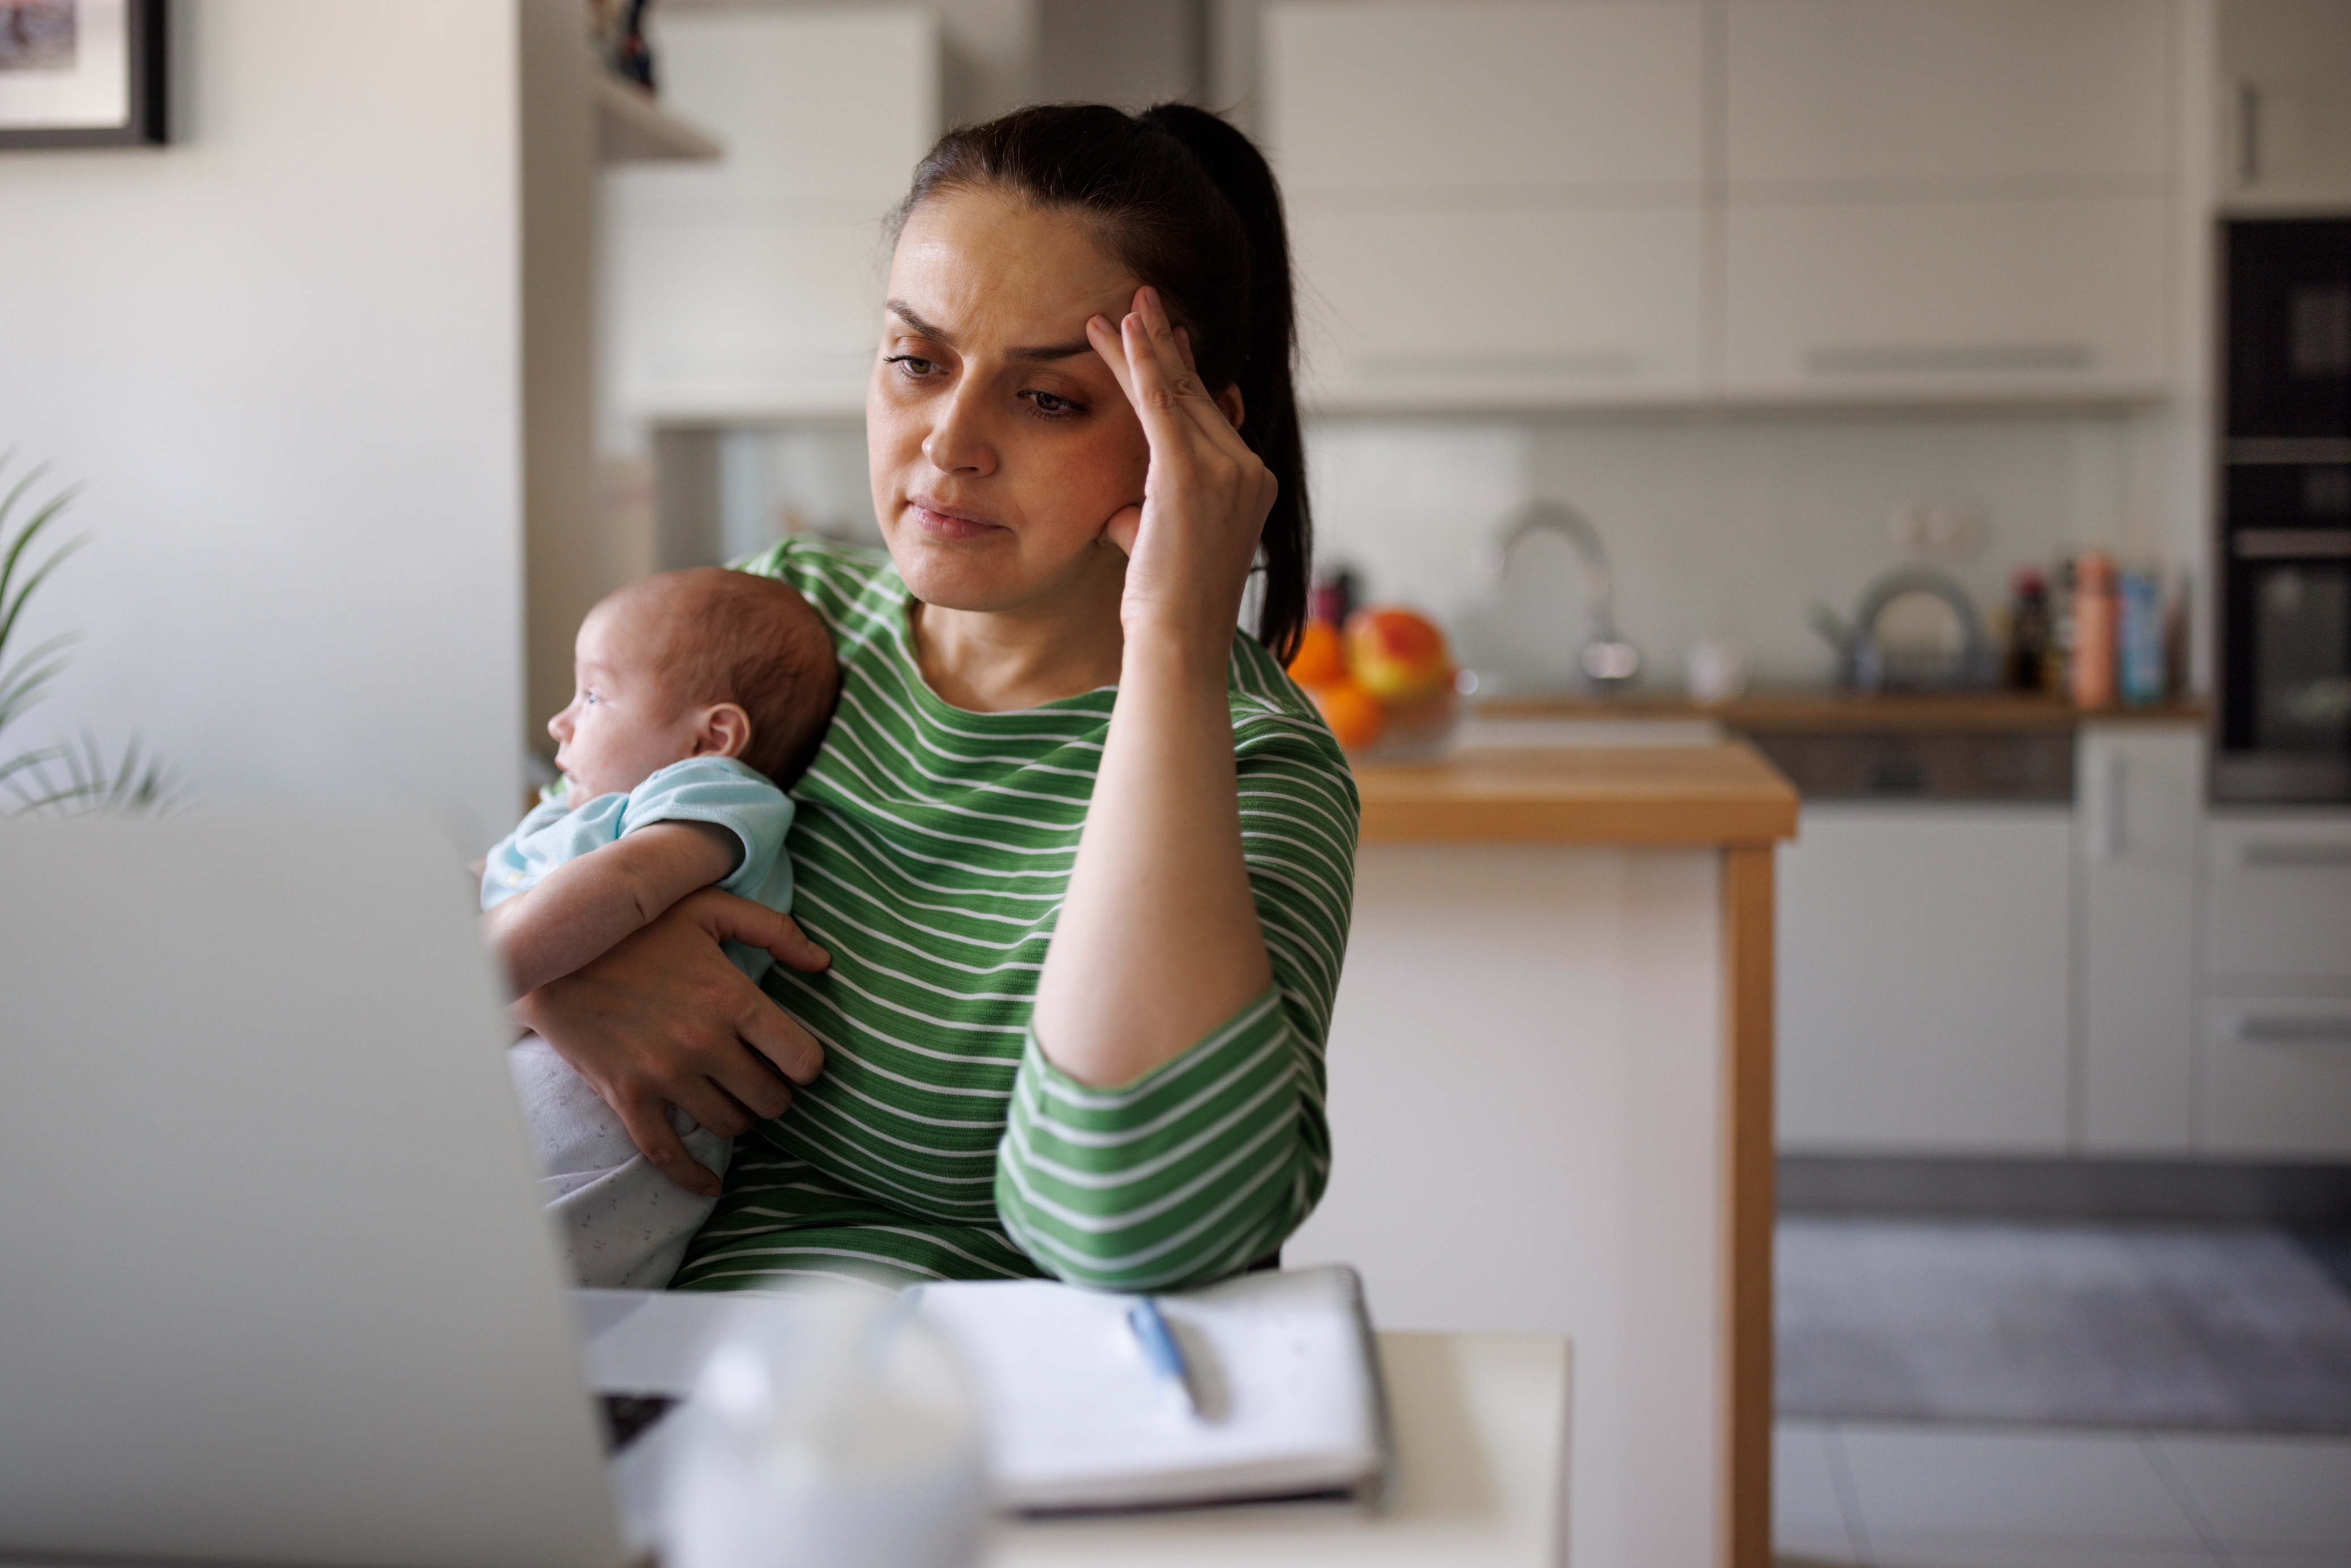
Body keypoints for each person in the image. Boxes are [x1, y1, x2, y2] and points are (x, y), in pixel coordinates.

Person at [512, 102, 1360, 1295]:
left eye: (1049, 398)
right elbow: (537, 859)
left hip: (976, 1422)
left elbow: (1137, 1229)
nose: (948, 443)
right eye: (919, 360)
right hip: (631, 1382)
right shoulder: (780, 620)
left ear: (1194, 432)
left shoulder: (1255, 758)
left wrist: (1170, 641)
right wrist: (562, 972)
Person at [482, 568, 839, 1288]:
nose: (561, 721)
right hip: (528, 1084)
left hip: (619, 1131)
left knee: (512, 1300)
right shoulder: (571, 810)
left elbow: (628, 885)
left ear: (713, 735)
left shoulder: (714, 793)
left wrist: (460, 980)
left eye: (593, 694)